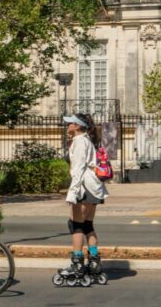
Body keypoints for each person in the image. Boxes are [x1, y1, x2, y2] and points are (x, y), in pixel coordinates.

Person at [59, 113, 108, 280]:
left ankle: (77, 263)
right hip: (94, 188)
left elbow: (78, 169)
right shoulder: (87, 140)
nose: (67, 127)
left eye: (70, 124)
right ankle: (94, 262)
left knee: (76, 225)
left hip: (84, 188)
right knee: (88, 225)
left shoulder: (80, 142)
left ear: (77, 126)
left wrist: (72, 193)